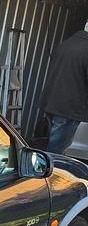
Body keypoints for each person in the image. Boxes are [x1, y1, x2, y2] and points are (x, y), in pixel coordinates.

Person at [41, 21, 88, 153]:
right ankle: (50, 172)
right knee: (56, 152)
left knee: (52, 143)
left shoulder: (67, 43)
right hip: (69, 109)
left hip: (52, 103)